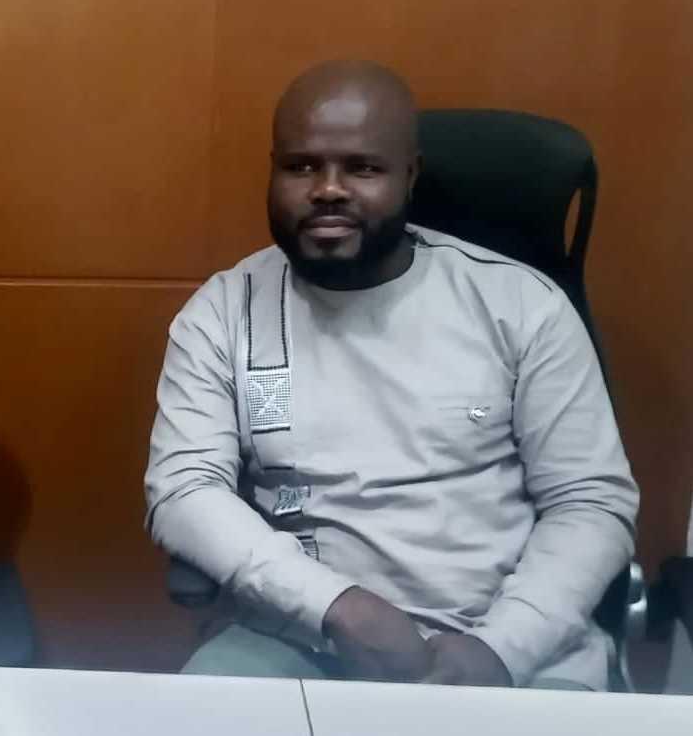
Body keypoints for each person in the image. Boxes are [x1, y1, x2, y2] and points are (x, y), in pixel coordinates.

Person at [144, 60, 638, 690]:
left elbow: (589, 502)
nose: (328, 189)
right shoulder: (224, 312)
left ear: (410, 176)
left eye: (362, 168)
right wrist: (340, 608)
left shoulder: (520, 305)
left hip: (510, 644)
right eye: (301, 166)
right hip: (301, 635)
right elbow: (185, 489)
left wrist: (499, 650)